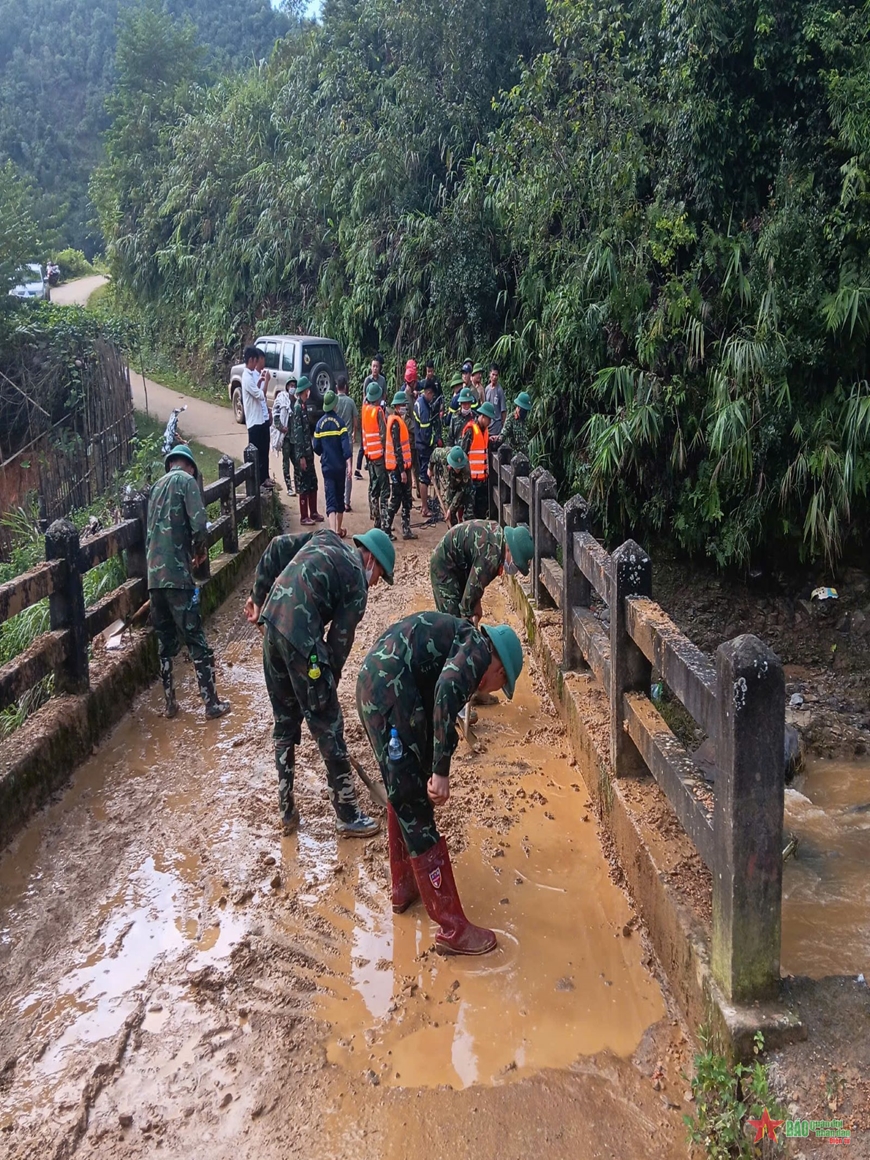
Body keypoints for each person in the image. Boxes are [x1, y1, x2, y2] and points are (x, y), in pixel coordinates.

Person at [356, 613, 524, 954]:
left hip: (384, 687)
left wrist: (432, 762)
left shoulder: (466, 642)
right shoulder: (477, 654)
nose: (491, 691)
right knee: (414, 800)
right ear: (499, 671)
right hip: (390, 693)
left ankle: (404, 886)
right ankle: (452, 928)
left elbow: (438, 698)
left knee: (403, 787)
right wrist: (441, 771)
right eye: (499, 686)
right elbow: (447, 688)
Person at [246, 528, 396, 836]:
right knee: (329, 725)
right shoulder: (357, 583)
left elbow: (276, 547)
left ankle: (286, 811)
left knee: (285, 724)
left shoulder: (325, 537)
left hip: (273, 623)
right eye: (381, 574)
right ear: (371, 558)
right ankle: (347, 813)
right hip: (301, 637)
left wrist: (258, 599)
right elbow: (338, 645)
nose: (377, 582)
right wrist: (325, 693)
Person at [146, 444, 230, 720]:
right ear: (191, 466)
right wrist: (199, 552)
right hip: (178, 577)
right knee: (196, 638)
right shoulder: (187, 482)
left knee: (165, 642)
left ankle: (169, 703)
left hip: (154, 578)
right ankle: (211, 703)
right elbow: (199, 523)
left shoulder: (156, 487)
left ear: (171, 463)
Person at [429, 519, 534, 623]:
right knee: (451, 621)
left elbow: (475, 585)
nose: (514, 570)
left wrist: (475, 604)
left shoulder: (497, 535)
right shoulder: (491, 557)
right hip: (444, 565)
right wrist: (468, 625)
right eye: (516, 564)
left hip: (460, 565)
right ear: (509, 550)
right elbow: (468, 602)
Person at [314, 391, 352, 538]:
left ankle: (332, 532)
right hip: (339, 467)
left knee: (330, 498)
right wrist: (349, 465)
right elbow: (346, 448)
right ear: (335, 405)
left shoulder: (319, 424)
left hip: (327, 467)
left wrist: (324, 452)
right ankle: (338, 529)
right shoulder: (340, 424)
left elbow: (316, 447)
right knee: (339, 497)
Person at [384, 390, 417, 541]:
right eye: (402, 405)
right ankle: (386, 528)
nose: (404, 407)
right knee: (396, 499)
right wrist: (402, 471)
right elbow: (398, 449)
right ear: (397, 407)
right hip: (398, 469)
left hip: (403, 467)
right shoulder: (395, 423)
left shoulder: (399, 421)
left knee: (406, 498)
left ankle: (406, 529)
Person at [292, 377, 322, 525]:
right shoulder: (297, 408)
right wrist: (301, 456)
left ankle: (313, 512)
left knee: (313, 482)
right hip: (303, 453)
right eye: (308, 389)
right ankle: (304, 516)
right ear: (304, 391)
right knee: (304, 484)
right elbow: (298, 435)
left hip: (309, 452)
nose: (309, 391)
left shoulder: (303, 406)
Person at [460, 399, 496, 519]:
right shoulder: (471, 431)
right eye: (488, 419)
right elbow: (463, 453)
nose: (489, 422)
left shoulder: (485, 431)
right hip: (471, 480)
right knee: (470, 513)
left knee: (481, 511)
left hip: (482, 480)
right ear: (483, 417)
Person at [241, 345, 271, 488]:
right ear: (252, 360)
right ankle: (257, 482)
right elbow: (261, 395)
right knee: (256, 454)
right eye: (255, 361)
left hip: (260, 419)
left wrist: (260, 381)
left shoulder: (250, 376)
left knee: (264, 451)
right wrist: (266, 382)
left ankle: (264, 478)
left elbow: (256, 389)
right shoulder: (246, 377)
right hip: (254, 422)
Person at [362, 380, 390, 529]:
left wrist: (367, 452)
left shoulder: (365, 410)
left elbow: (364, 433)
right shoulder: (378, 411)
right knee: (385, 489)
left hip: (370, 455)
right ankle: (384, 524)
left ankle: (376, 518)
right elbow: (384, 435)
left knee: (374, 488)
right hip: (379, 455)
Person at [413, 378, 440, 518]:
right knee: (424, 477)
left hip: (420, 444)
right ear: (428, 392)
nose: (432, 398)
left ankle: (425, 505)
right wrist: (434, 441)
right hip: (424, 446)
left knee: (424, 475)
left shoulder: (420, 402)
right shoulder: (423, 408)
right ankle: (424, 508)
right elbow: (425, 434)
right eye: (432, 395)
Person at [333, 374, 359, 512]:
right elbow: (355, 420)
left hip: (336, 440)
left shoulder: (334, 401)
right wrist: (354, 433)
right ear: (346, 387)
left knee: (338, 470)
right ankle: (346, 501)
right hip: (347, 439)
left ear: (337, 387)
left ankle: (338, 499)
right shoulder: (351, 402)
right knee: (349, 471)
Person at [431, 445, 473, 526]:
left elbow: (460, 491)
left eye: (459, 467)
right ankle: (453, 531)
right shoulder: (442, 454)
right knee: (450, 513)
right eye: (456, 467)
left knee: (469, 513)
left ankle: (467, 529)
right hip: (450, 484)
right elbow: (433, 455)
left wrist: (451, 508)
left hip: (464, 486)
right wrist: (430, 469)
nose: (458, 470)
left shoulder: (466, 469)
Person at [272, 375, 296, 494]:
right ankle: (289, 487)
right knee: (286, 463)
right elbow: (276, 416)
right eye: (291, 386)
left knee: (297, 463)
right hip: (286, 438)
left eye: (294, 386)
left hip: (294, 439)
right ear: (287, 387)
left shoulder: (295, 402)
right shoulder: (283, 400)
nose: (293, 388)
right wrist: (281, 428)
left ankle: (297, 485)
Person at [495, 390, 532, 460]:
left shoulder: (526, 420)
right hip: (514, 457)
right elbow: (504, 434)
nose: (524, 413)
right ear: (518, 407)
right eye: (523, 410)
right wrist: (497, 440)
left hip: (525, 457)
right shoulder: (511, 418)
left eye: (526, 411)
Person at [484, 364, 507, 438]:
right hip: (487, 427)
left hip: (497, 428)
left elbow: (503, 411)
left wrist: (503, 427)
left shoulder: (500, 391)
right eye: (493, 374)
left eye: (496, 375)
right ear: (489, 374)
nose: (494, 377)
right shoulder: (487, 389)